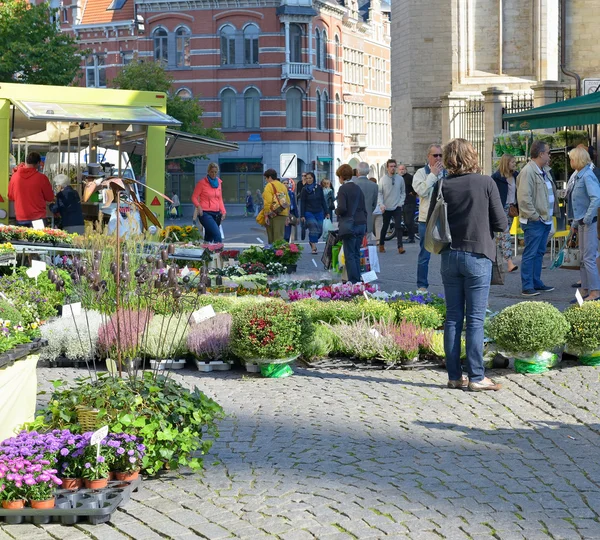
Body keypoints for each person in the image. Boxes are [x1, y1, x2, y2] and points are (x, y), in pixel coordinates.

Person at [427, 138, 507, 392]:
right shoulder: (486, 182)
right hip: (478, 254)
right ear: (472, 156)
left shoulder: (441, 185)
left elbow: (432, 221)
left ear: (448, 159)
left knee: (452, 318)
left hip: (449, 256)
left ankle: (453, 376)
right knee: (474, 319)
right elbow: (501, 224)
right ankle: (476, 377)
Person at [517, 140, 558, 297]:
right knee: (530, 253)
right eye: (548, 152)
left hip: (544, 219)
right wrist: (536, 217)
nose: (549, 155)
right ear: (541, 154)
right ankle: (527, 286)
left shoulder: (543, 170)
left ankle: (536, 282)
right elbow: (524, 198)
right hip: (536, 221)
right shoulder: (528, 171)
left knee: (539, 253)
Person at [568, 146, 600, 301]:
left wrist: (586, 218)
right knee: (583, 257)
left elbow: (596, 198)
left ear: (578, 159)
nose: (570, 161)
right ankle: (585, 289)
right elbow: (579, 203)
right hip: (582, 222)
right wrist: (576, 223)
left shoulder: (587, 176)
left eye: (572, 158)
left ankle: (595, 292)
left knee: (588, 257)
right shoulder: (581, 175)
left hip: (589, 223)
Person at [414, 144, 445, 291]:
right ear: (429, 157)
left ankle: (449, 284)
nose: (438, 158)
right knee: (424, 254)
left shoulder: (446, 173)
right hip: (426, 219)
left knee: (447, 253)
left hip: (444, 218)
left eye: (440, 155)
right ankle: (422, 285)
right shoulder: (421, 173)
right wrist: (432, 175)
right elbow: (422, 191)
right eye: (435, 155)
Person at [336, 164, 367, 283]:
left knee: (349, 255)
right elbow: (364, 208)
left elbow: (342, 208)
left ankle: (353, 282)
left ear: (341, 177)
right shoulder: (357, 188)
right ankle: (358, 280)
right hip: (361, 224)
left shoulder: (343, 189)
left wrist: (336, 211)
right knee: (356, 254)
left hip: (350, 225)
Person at [8, 151, 54, 226]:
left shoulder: (14, 177)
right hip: (38, 218)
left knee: (22, 238)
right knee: (39, 237)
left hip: (21, 218)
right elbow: (50, 197)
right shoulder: (42, 178)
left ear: (26, 161)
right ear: (38, 163)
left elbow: (10, 196)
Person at [491, 155, 519, 273]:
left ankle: (494, 261)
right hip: (501, 209)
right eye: (512, 162)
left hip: (512, 208)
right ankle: (509, 262)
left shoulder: (516, 176)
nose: (514, 164)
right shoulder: (496, 177)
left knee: (500, 237)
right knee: (505, 234)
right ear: (506, 163)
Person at [191, 162, 226, 243]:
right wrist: (198, 206)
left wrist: (223, 211)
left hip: (216, 214)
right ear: (208, 172)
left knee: (209, 237)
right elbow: (194, 197)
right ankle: (220, 253)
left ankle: (206, 253)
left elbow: (219, 198)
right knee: (217, 234)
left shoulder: (219, 183)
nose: (213, 174)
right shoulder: (202, 183)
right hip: (205, 213)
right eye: (212, 172)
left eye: (215, 172)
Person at [378, 158, 406, 254]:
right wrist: (381, 204)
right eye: (391, 166)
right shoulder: (383, 180)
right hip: (386, 206)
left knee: (398, 226)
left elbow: (403, 192)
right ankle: (381, 244)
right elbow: (380, 193)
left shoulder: (400, 179)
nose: (393, 168)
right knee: (385, 226)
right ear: (387, 168)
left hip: (397, 206)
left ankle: (400, 247)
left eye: (394, 166)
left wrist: (400, 203)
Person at [300, 172, 329, 254]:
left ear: (313, 178)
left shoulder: (319, 188)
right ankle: (313, 246)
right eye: (307, 178)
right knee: (313, 227)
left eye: (310, 178)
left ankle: (312, 240)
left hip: (319, 211)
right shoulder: (304, 189)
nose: (309, 180)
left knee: (319, 230)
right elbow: (302, 202)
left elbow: (323, 200)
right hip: (309, 212)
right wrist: (302, 215)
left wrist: (326, 212)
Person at [262, 168, 290, 243]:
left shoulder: (269, 186)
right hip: (282, 213)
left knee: (272, 238)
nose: (266, 180)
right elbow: (287, 201)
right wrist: (287, 215)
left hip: (273, 214)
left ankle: (275, 253)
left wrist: (266, 215)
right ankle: (280, 253)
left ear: (270, 177)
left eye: (266, 178)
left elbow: (267, 202)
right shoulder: (283, 186)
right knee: (280, 237)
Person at [354, 162, 379, 241]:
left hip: (354, 219)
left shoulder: (353, 184)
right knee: (367, 243)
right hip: (368, 218)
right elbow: (374, 204)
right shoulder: (374, 186)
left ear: (357, 171)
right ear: (368, 172)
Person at [398, 164, 417, 243]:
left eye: (403, 169)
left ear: (406, 169)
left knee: (409, 221)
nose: (401, 171)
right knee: (405, 221)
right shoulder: (398, 178)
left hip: (410, 202)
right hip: (402, 202)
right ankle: (410, 236)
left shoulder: (410, 177)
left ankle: (411, 237)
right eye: (400, 169)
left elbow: (416, 187)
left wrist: (412, 193)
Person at [370, 177, 383, 245]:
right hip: (379, 211)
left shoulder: (369, 190)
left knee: (372, 227)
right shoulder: (379, 189)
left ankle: (377, 239)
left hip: (372, 211)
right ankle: (378, 240)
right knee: (378, 227)